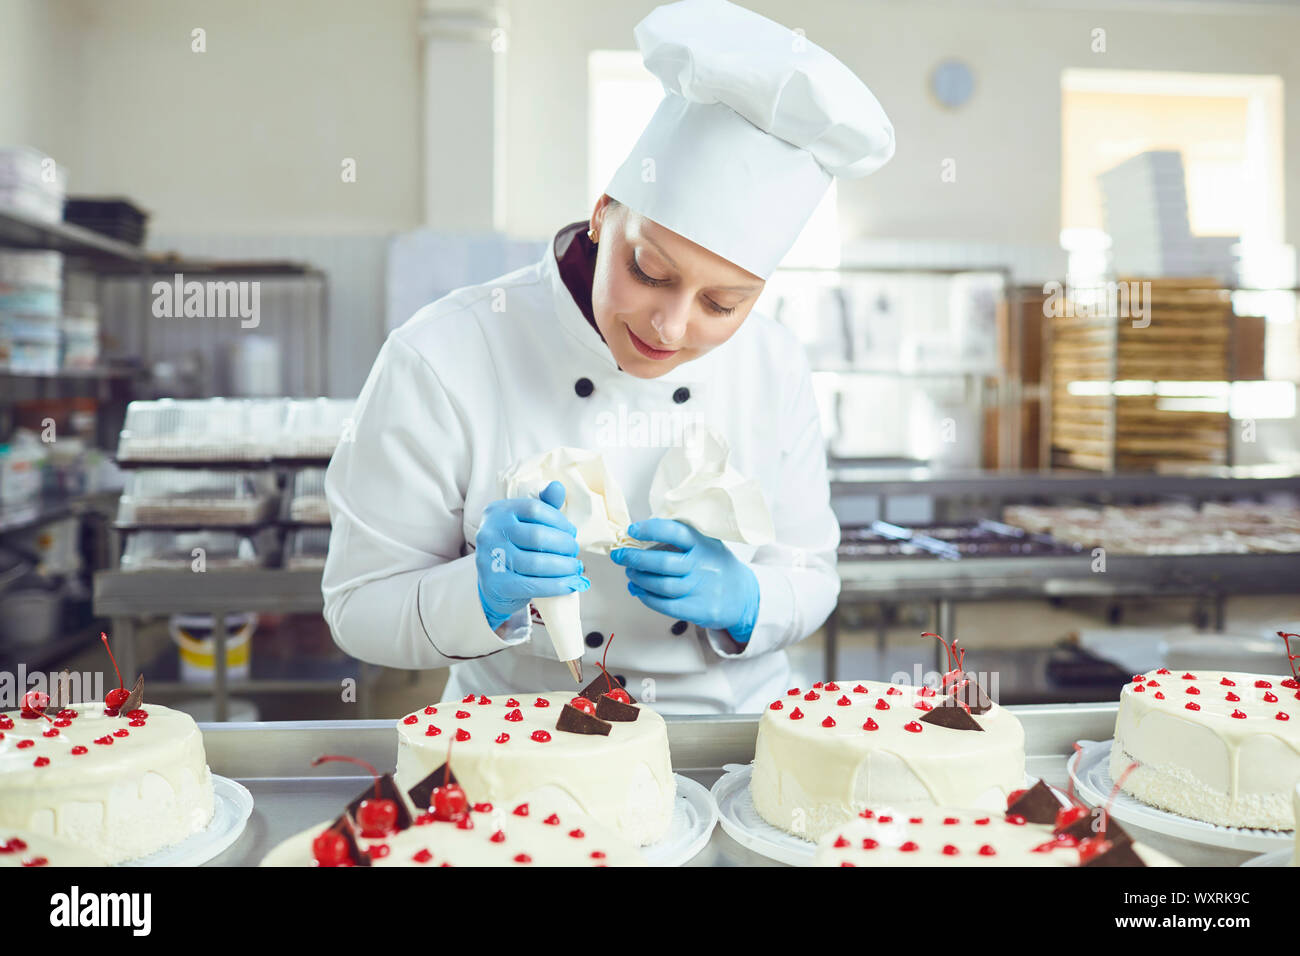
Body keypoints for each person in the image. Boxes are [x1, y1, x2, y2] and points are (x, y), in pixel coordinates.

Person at [322, 0, 894, 713]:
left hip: (729, 734)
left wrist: (750, 598)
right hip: (521, 736)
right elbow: (357, 608)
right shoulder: (441, 354)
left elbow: (813, 576)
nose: (671, 325)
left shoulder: (772, 362)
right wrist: (476, 590)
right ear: (602, 213)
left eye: (723, 304)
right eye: (650, 271)